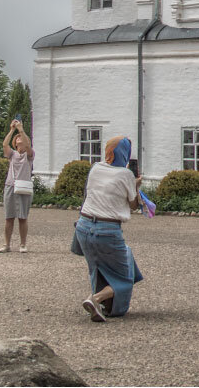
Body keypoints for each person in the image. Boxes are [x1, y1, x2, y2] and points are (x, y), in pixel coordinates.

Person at [72, 136, 144, 321]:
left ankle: (103, 306)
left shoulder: (96, 168)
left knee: (97, 268)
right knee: (125, 278)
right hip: (107, 230)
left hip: (83, 226)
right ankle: (95, 299)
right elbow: (133, 205)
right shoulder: (126, 174)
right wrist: (135, 186)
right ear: (124, 153)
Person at [0, 119, 34, 253]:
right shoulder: (12, 154)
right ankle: (7, 244)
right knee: (9, 217)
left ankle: (23, 244)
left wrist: (21, 130)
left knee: (22, 217)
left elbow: (28, 144)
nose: (19, 139)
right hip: (10, 186)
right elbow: (4, 144)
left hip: (24, 188)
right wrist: (12, 130)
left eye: (21, 138)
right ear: (15, 143)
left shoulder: (29, 155)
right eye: (17, 138)